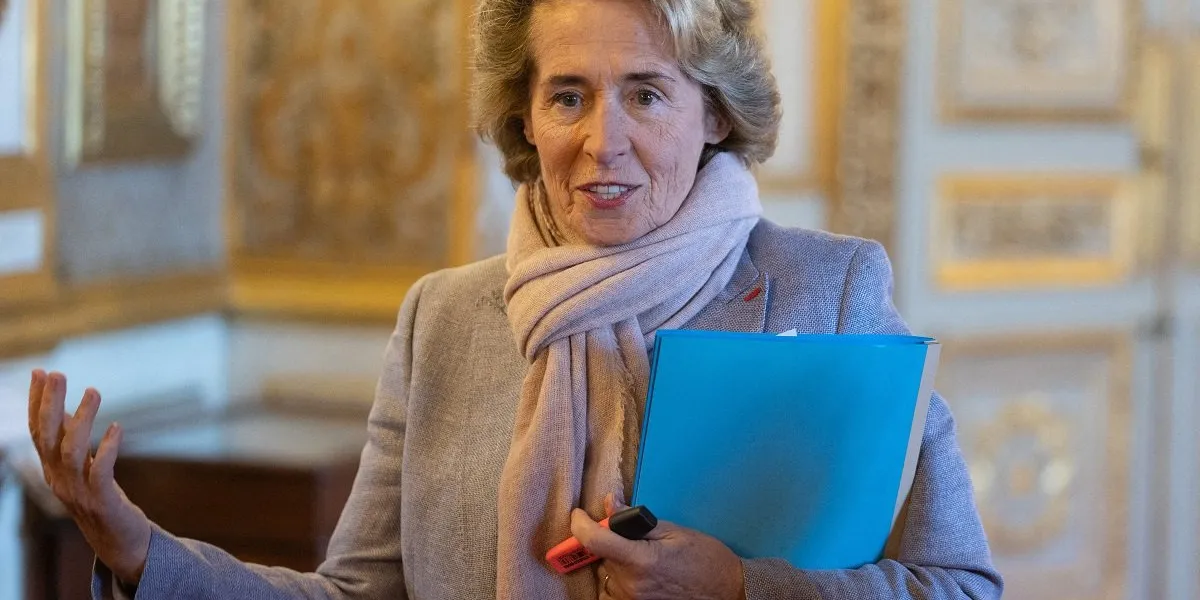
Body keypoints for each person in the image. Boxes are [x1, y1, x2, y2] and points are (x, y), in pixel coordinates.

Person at [25, 0, 1004, 598]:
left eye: (648, 95)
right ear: (523, 117)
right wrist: (139, 550)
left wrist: (743, 587)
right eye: (568, 95)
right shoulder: (443, 320)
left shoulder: (831, 289)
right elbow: (356, 598)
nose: (601, 140)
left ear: (714, 112)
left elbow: (957, 586)